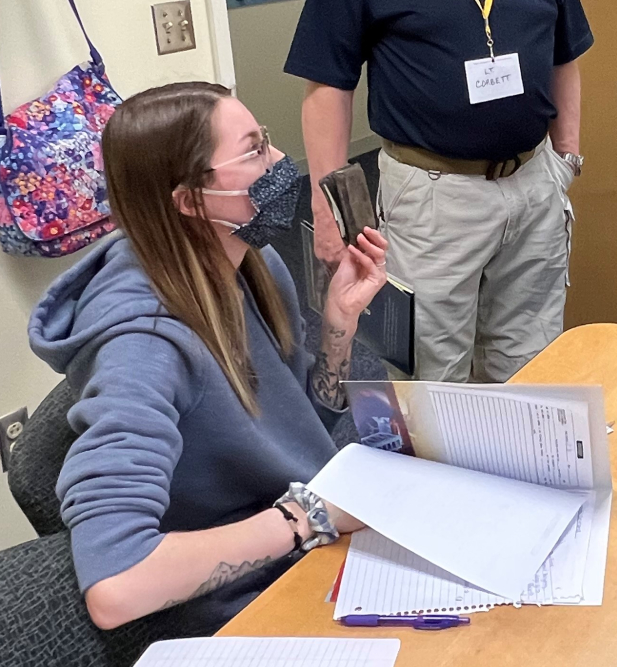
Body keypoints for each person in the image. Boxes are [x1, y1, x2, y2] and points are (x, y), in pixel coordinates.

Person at [29, 83, 388, 632]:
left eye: (265, 141)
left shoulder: (257, 265)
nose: (278, 163)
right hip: (244, 600)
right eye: (253, 152)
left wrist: (339, 323)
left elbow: (294, 429)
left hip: (306, 546)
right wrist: (308, 518)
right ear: (191, 200)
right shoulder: (143, 344)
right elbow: (116, 585)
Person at [286, 0, 593, 384]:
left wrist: (566, 157)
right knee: (431, 378)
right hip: (432, 198)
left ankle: (520, 480)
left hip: (534, 184)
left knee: (533, 366)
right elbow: (327, 83)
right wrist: (329, 210)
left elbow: (566, 50)